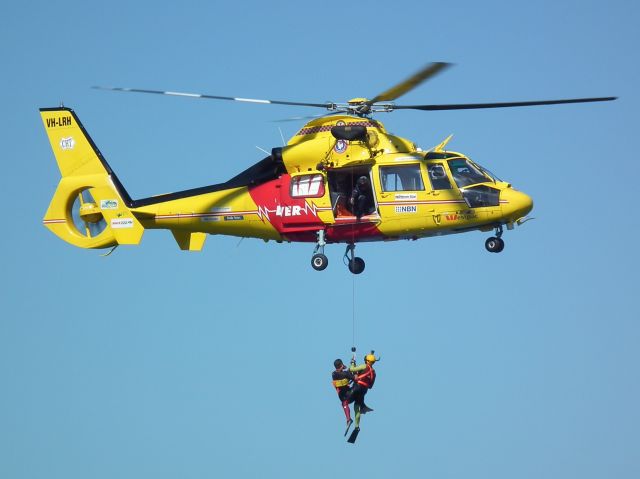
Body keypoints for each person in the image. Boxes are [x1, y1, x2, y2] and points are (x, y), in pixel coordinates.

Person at [346, 353, 377, 433]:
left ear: (366, 360)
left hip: (357, 387)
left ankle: (348, 419)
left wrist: (352, 363)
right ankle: (357, 426)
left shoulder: (364, 366)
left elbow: (351, 369)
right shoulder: (374, 372)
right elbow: (370, 386)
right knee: (357, 408)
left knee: (345, 402)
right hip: (364, 391)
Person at [332, 359, 354, 430]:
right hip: (349, 393)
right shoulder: (346, 374)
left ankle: (348, 419)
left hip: (341, 395)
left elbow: (340, 372)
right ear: (341, 365)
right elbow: (354, 378)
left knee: (344, 404)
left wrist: (343, 367)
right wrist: (352, 366)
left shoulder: (333, 374)